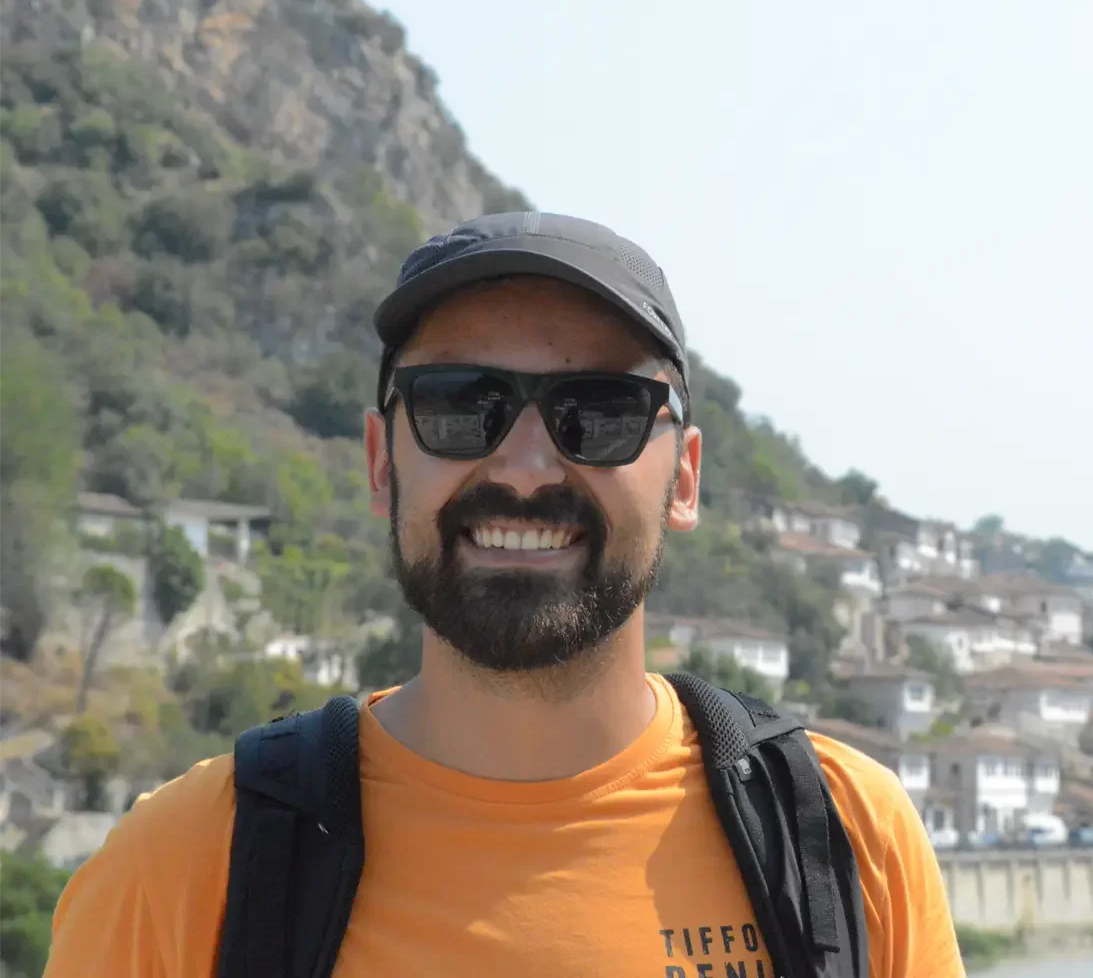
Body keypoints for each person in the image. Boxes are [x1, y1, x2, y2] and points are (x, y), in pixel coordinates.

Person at [45, 212, 964, 977]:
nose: (525, 466)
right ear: (379, 462)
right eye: (459, 404)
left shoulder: (843, 840)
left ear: (684, 478)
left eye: (598, 413)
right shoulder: (182, 870)